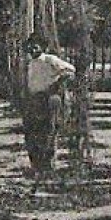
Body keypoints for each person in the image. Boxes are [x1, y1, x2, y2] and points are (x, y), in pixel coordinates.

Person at [24, 36, 75, 175]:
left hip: (48, 99)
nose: (33, 49)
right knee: (32, 132)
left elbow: (70, 70)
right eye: (31, 46)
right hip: (34, 99)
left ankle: (48, 165)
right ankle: (36, 165)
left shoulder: (50, 60)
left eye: (36, 46)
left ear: (43, 47)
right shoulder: (30, 63)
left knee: (49, 131)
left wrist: (57, 84)